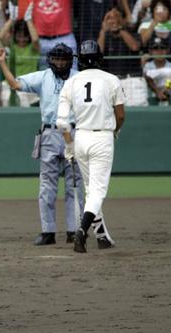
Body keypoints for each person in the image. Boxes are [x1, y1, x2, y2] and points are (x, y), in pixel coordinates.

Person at [0, 42, 85, 245]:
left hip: (74, 131)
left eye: (63, 59)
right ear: (50, 60)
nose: (60, 62)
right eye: (56, 58)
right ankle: (48, 232)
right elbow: (16, 85)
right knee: (47, 186)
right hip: (50, 133)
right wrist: (2, 63)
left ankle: (75, 230)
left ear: (70, 60)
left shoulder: (78, 77)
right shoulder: (44, 76)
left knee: (75, 185)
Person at [56, 40, 125, 253]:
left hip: (81, 138)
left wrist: (69, 145)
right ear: (99, 58)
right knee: (97, 192)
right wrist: (115, 131)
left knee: (90, 190)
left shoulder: (72, 82)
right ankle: (82, 231)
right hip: (102, 137)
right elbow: (120, 115)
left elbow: (61, 122)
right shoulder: (111, 79)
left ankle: (102, 237)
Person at [142, 36, 171, 104]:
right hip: (150, 97)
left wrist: (165, 90)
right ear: (151, 51)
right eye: (155, 48)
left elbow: (169, 81)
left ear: (167, 50)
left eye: (162, 48)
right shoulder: (147, 65)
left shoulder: (170, 65)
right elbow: (146, 79)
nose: (159, 51)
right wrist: (157, 91)